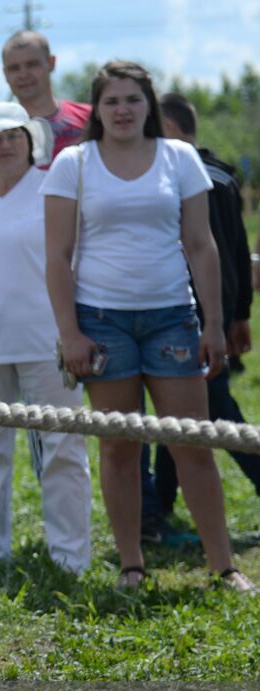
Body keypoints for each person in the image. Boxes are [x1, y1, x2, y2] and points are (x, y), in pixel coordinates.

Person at [44, 61, 254, 592]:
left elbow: (202, 246)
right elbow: (57, 256)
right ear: (97, 109)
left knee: (193, 444)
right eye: (112, 101)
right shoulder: (74, 163)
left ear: (149, 106)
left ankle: (223, 566)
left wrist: (213, 323)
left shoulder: (178, 158)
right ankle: (132, 564)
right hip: (101, 322)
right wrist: (69, 333)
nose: (122, 110)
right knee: (119, 447)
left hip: (172, 318)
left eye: (133, 100)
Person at [0, 104, 93, 572]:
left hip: (47, 340)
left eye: (14, 135)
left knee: (62, 448)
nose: (5, 144)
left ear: (30, 142)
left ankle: (70, 556)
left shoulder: (53, 189)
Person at [150, 93, 260, 511]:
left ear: (171, 131)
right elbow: (239, 253)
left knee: (219, 413)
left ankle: (160, 508)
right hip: (213, 314)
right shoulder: (224, 176)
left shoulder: (193, 181)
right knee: (181, 415)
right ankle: (160, 506)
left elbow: (213, 254)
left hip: (192, 316)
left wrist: (221, 319)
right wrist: (240, 314)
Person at [1, 30, 92, 161]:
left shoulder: (89, 118)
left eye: (32, 64)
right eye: (14, 68)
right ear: (5, 74)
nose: (23, 74)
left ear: (51, 63)